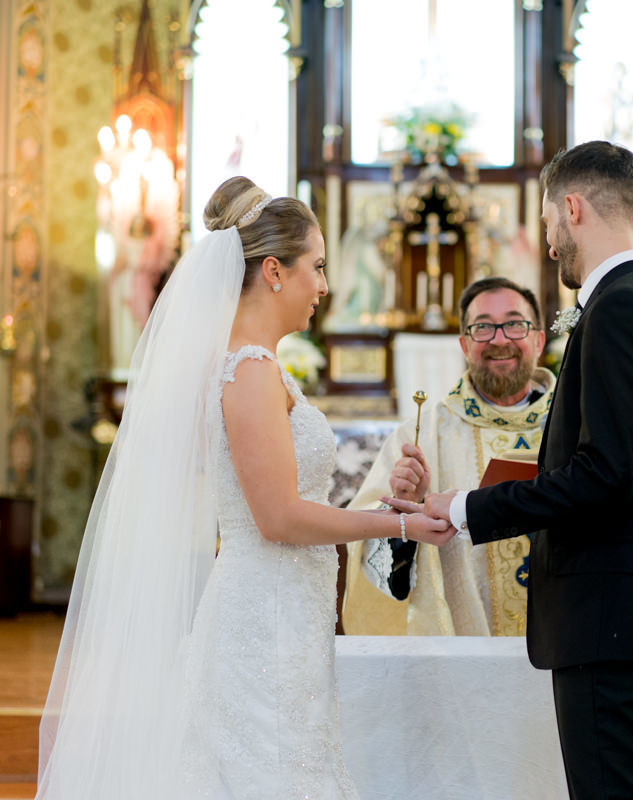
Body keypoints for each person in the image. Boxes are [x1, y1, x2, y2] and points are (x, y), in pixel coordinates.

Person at [36, 177, 451, 800]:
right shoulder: (250, 371)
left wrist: (383, 502)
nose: (325, 286)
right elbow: (279, 519)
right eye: (316, 266)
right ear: (275, 272)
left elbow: (286, 497)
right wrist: (397, 525)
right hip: (266, 615)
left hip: (285, 609)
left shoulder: (255, 364)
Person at [387, 141, 633, 800]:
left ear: (572, 207)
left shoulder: (619, 308)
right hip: (627, 613)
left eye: (549, 221)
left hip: (613, 617)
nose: (551, 240)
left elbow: (604, 477)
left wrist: (466, 509)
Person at [342, 276, 555, 636]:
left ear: (538, 339)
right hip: (465, 651)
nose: (499, 339)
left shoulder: (576, 425)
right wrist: (405, 512)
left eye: (514, 324)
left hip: (567, 642)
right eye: (483, 327)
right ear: (464, 343)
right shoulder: (420, 436)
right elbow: (367, 552)